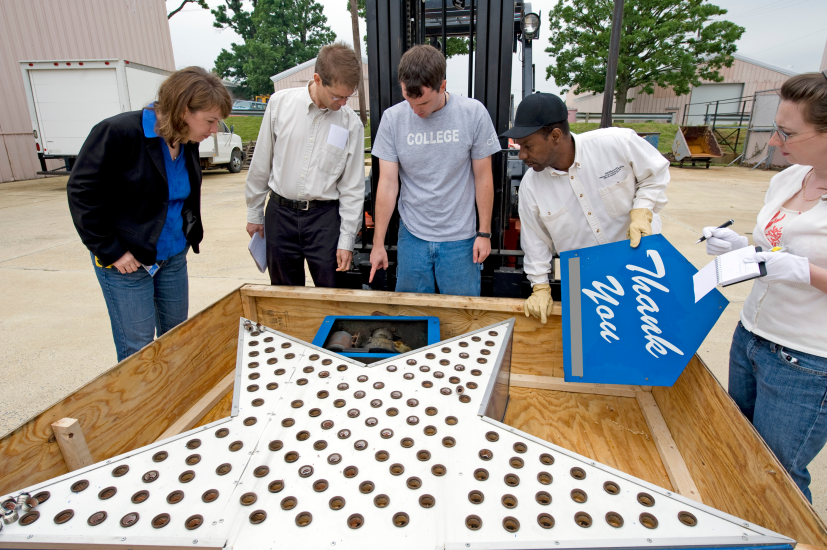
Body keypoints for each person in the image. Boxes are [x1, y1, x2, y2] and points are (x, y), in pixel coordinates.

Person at [702, 71, 827, 502]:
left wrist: (805, 271)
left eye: (787, 132)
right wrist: (740, 247)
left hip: (807, 361)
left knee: (780, 478)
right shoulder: (789, 179)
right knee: (742, 452)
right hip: (752, 336)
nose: (774, 142)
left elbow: (790, 264)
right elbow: (771, 250)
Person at [68, 67, 232, 361]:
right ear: (183, 110)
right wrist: (111, 251)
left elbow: (179, 196)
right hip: (126, 262)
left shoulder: (186, 141)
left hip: (171, 258)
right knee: (138, 351)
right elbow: (82, 194)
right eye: (210, 121)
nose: (214, 130)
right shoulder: (118, 132)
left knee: (177, 337)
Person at [501, 93, 670, 324]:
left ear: (555, 136)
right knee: (593, 348)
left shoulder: (616, 143)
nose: (522, 155)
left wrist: (643, 210)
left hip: (643, 264)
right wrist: (540, 286)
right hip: (589, 281)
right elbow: (535, 240)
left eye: (528, 146)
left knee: (654, 335)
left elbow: (656, 173)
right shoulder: (532, 185)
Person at [369, 44, 500, 296]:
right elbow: (387, 184)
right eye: (409, 100)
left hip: (461, 238)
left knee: (462, 316)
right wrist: (378, 244)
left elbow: (484, 177)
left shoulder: (473, 114)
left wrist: (484, 232)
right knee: (411, 316)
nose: (416, 111)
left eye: (424, 103)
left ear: (443, 85)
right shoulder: (392, 119)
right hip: (413, 235)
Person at [245, 42, 365, 288]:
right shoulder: (280, 104)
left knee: (334, 292)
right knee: (285, 297)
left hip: (324, 220)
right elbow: (261, 163)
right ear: (317, 79)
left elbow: (353, 188)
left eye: (347, 96)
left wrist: (346, 240)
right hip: (280, 215)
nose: (343, 102)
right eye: (336, 96)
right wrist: (254, 212)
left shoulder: (351, 125)